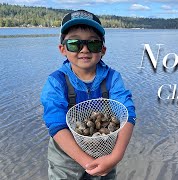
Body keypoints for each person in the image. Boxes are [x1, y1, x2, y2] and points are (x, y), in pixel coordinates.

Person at [40, 9, 136, 180]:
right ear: (63, 49)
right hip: (65, 161)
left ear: (103, 50)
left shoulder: (112, 78)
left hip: (106, 154)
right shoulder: (56, 81)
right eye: (75, 43)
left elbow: (127, 113)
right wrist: (86, 162)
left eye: (93, 44)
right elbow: (55, 123)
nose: (84, 49)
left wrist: (116, 157)